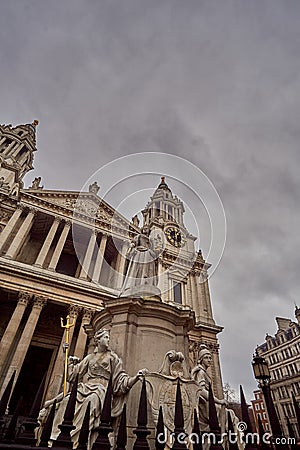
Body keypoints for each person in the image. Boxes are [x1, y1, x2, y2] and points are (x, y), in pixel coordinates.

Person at [39, 329, 147, 449]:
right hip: (85, 387)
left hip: (101, 390)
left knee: (91, 402)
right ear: (98, 340)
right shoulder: (90, 358)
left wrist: (136, 378)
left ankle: (77, 441)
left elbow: (120, 381)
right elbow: (73, 376)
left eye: (108, 337)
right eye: (106, 337)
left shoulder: (113, 358)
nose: (108, 340)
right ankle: (56, 437)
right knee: (66, 402)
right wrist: (66, 356)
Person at [191, 344, 227, 430]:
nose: (210, 360)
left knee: (229, 415)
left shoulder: (203, 372)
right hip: (204, 404)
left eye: (210, 357)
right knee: (225, 413)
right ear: (200, 359)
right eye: (206, 358)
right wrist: (219, 401)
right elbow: (201, 390)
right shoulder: (200, 372)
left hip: (207, 402)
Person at [120, 226, 161, 296]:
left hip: (148, 255)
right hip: (139, 253)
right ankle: (136, 283)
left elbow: (156, 250)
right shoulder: (139, 236)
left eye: (147, 228)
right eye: (144, 228)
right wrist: (130, 250)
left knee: (148, 270)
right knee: (137, 269)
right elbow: (133, 244)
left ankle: (145, 283)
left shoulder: (151, 240)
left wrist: (158, 245)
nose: (145, 229)